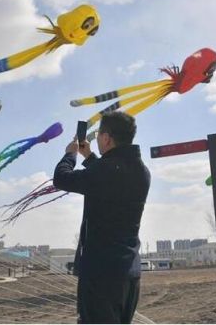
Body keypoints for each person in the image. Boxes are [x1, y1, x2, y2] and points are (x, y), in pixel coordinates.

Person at [53, 111, 151, 324]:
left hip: (101, 276)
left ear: (107, 138)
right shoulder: (141, 170)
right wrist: (89, 157)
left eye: (98, 135)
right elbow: (109, 179)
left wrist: (70, 154)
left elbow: (61, 178)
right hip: (129, 273)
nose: (97, 139)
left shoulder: (105, 171)